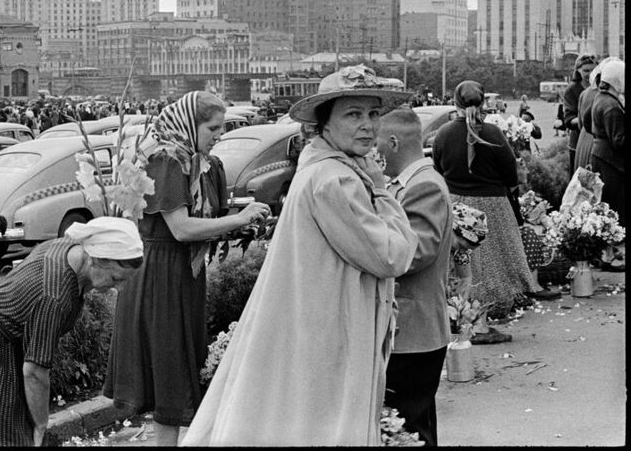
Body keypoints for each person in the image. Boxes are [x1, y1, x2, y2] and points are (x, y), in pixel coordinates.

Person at [181, 66, 418, 446]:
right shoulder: (336, 179)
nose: (368, 126)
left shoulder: (329, 168)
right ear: (325, 124)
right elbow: (394, 255)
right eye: (353, 114)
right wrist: (382, 188)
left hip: (321, 319)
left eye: (373, 114)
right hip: (331, 327)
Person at [104, 91, 271, 447]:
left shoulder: (198, 161)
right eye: (212, 128)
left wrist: (242, 222)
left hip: (183, 272)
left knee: (177, 367)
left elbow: (206, 221)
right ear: (189, 125)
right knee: (169, 370)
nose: (219, 135)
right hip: (159, 275)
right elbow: (181, 228)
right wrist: (236, 219)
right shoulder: (167, 159)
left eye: (222, 128)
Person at [0, 217, 145, 447]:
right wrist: (40, 426)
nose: (119, 288)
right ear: (96, 258)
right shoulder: (55, 296)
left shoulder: (67, 248)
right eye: (116, 278)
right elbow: (35, 371)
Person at [375, 108, 454, 447]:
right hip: (412, 330)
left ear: (392, 143)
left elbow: (414, 254)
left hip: (414, 331)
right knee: (413, 427)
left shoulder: (423, 186)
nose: (372, 151)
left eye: (375, 143)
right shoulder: (410, 183)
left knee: (408, 430)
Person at [431, 81, 536, 330]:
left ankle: (461, 314)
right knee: (497, 263)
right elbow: (511, 174)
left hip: (457, 207)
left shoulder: (443, 134)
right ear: (483, 103)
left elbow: (438, 170)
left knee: (461, 265)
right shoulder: (493, 133)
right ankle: (483, 320)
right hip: (494, 208)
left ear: (455, 104)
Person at [590, 60, 625, 230]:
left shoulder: (600, 97)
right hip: (611, 160)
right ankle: (614, 240)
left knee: (605, 200)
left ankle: (608, 241)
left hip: (599, 154)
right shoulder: (612, 106)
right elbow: (619, 141)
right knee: (614, 202)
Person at [574, 57, 617, 172]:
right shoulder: (608, 95)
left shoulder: (585, 93)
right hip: (598, 145)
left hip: (584, 142)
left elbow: (581, 123)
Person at [563, 54, 598, 173]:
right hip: (578, 142)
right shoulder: (572, 90)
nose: (589, 74)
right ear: (578, 70)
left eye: (593, 70)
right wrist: (588, 119)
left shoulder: (601, 87)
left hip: (597, 141)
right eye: (586, 70)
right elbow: (568, 119)